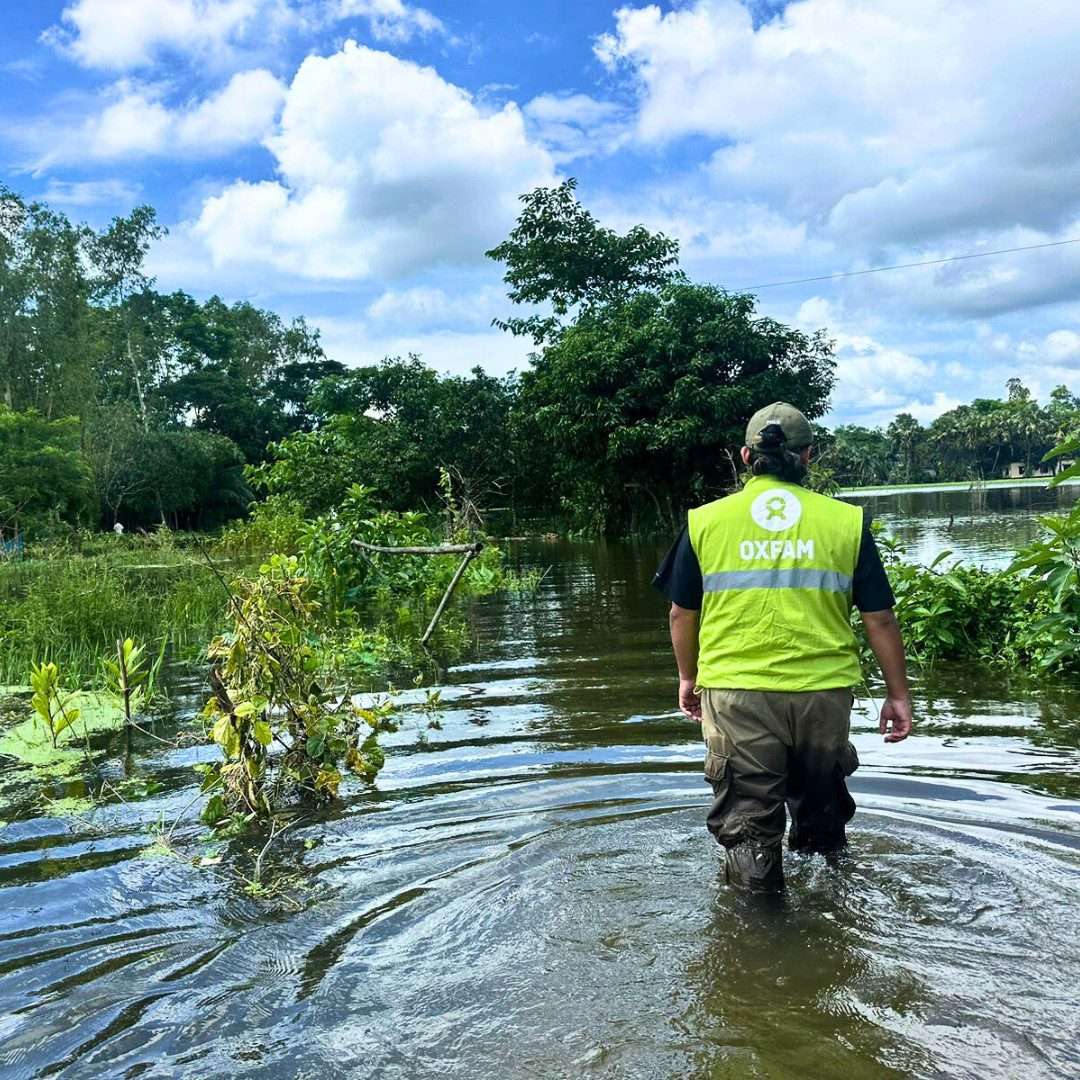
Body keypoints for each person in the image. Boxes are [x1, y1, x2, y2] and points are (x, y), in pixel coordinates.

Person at [653, 402, 913, 891]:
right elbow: (878, 616)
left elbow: (680, 613)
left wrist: (688, 678)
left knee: (749, 826)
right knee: (822, 821)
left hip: (737, 694)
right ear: (808, 455)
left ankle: (759, 942)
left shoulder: (706, 521)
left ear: (746, 456)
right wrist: (897, 695)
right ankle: (832, 925)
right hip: (823, 694)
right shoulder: (846, 522)